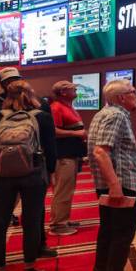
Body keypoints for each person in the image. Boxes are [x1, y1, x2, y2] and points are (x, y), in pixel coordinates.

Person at [0, 81, 57, 271]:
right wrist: (51, 172)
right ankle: (29, 268)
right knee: (32, 221)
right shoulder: (41, 116)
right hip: (33, 174)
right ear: (31, 95)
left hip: (0, 176)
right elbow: (50, 149)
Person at [88, 79, 136, 271]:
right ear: (122, 97)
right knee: (121, 238)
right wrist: (115, 185)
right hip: (121, 185)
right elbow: (101, 152)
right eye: (133, 92)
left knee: (108, 235)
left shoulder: (103, 113)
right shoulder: (117, 115)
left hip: (109, 185)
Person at [48, 80, 87, 236]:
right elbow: (54, 132)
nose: (76, 90)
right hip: (63, 156)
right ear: (63, 92)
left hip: (72, 154)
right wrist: (76, 133)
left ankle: (63, 219)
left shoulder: (69, 107)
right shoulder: (56, 108)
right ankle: (58, 225)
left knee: (67, 190)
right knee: (62, 191)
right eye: (73, 88)